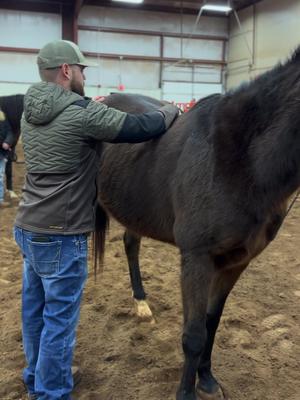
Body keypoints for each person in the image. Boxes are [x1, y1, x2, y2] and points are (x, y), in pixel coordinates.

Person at [13, 39, 179, 400]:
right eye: (82, 70)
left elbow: (70, 119)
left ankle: (35, 374)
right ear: (67, 71)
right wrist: (170, 110)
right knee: (60, 320)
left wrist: (90, 105)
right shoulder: (83, 114)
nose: (85, 76)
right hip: (63, 231)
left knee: (34, 310)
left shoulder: (30, 111)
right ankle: (52, 392)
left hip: (28, 225)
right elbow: (143, 127)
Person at [0, 107, 14, 207]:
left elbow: (10, 132)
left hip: (2, 154)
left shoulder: (3, 119)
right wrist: (2, 143)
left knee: (0, 176)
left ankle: (0, 199)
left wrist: (7, 142)